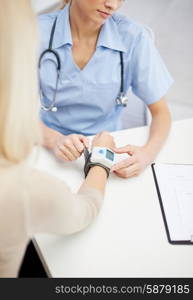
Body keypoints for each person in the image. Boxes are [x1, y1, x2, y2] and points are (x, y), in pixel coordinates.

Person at [0, 0, 114, 278]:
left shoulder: (133, 38)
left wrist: (51, 138)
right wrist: (102, 158)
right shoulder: (22, 191)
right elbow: (86, 209)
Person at [38, 0, 173, 178]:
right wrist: (54, 139)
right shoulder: (35, 32)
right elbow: (8, 112)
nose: (112, 5)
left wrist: (147, 154)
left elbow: (161, 113)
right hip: (46, 142)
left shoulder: (133, 37)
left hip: (108, 147)